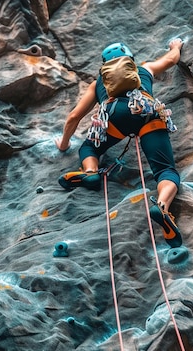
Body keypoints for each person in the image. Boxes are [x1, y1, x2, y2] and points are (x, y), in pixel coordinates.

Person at [54, 39, 184, 247]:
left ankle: (90, 172)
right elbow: (171, 59)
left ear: (105, 67)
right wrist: (175, 46)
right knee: (165, 170)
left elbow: (74, 117)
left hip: (116, 117)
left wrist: (63, 143)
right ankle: (161, 206)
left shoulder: (98, 84)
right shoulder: (144, 69)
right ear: (130, 60)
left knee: (89, 147)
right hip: (147, 112)